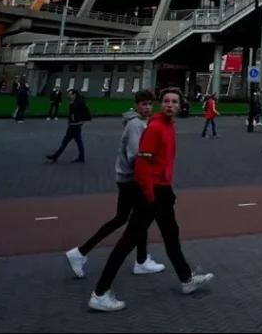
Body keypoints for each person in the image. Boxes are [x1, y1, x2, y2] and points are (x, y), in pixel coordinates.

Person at [88, 89, 214, 312]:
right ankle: (100, 293)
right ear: (161, 105)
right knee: (127, 242)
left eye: (174, 102)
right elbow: (142, 166)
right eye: (166, 101)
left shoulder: (169, 126)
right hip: (152, 194)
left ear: (179, 105)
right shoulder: (155, 128)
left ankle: (186, 279)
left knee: (171, 236)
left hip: (163, 192)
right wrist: (150, 196)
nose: (169, 105)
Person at [66, 91, 165, 279]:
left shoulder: (140, 123)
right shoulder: (136, 124)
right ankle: (81, 253)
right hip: (132, 180)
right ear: (137, 105)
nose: (147, 107)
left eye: (150, 104)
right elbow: (136, 156)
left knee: (131, 218)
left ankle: (141, 260)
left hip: (129, 178)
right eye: (143, 104)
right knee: (134, 219)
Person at [47, 90, 91, 163]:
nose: (69, 96)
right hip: (77, 125)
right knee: (78, 141)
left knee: (65, 141)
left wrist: (73, 121)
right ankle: (81, 157)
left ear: (75, 95)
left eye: (71, 94)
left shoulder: (75, 104)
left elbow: (74, 115)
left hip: (73, 126)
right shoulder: (80, 103)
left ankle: (55, 156)